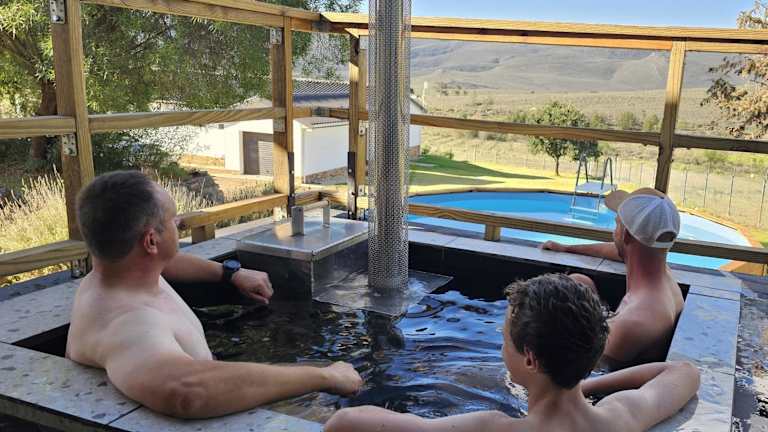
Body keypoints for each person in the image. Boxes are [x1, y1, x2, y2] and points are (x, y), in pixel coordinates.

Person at [66, 171, 362, 419]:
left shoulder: (124, 271)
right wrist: (325, 377)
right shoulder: (128, 323)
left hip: (213, 369)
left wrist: (231, 273)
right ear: (152, 240)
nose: (179, 223)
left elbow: (165, 261)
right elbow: (188, 392)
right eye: (173, 219)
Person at [324, 273, 700, 432]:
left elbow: (345, 423)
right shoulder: (619, 417)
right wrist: (581, 387)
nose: (501, 345)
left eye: (505, 340)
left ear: (530, 359)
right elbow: (683, 371)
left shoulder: (493, 427)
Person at [541, 187, 684, 368]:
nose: (613, 232)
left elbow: (585, 372)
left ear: (626, 235)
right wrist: (567, 248)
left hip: (610, 362)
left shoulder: (633, 322)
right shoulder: (659, 271)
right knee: (579, 282)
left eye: (617, 225)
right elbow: (621, 249)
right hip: (619, 332)